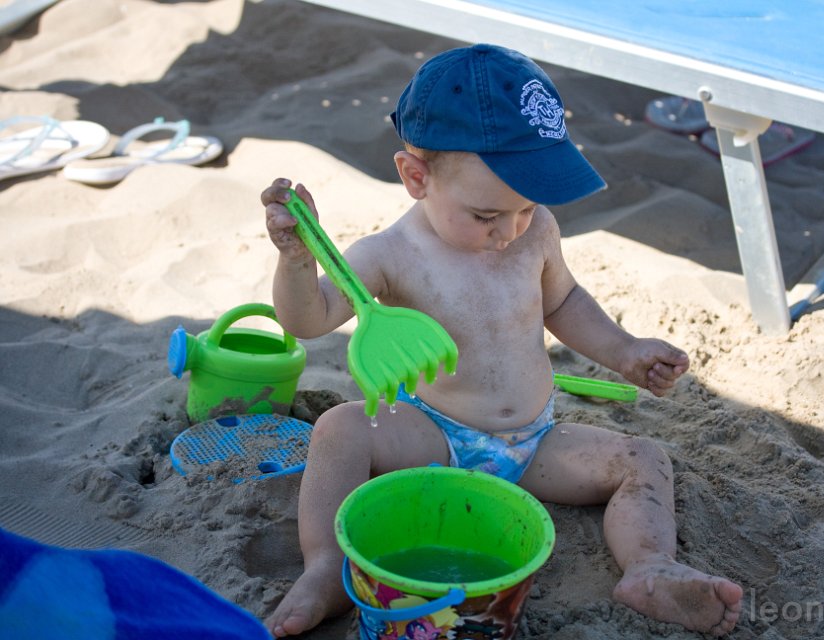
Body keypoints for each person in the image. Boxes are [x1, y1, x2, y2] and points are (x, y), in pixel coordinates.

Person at [262, 44, 742, 637]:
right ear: (416, 177)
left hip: (534, 442)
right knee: (340, 429)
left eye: (525, 207)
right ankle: (325, 570)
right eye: (487, 216)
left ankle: (649, 566)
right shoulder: (390, 255)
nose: (509, 231)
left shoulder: (534, 230)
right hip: (434, 435)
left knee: (644, 459)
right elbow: (309, 320)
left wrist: (624, 351)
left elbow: (563, 302)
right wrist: (297, 260)